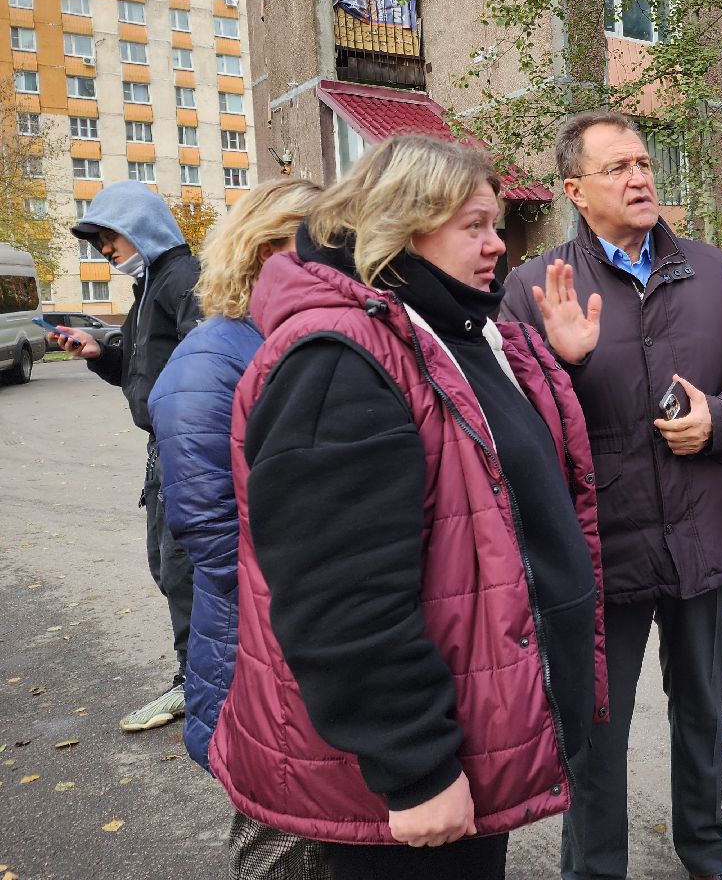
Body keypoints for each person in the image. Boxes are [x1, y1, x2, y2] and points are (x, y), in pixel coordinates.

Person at [209, 136, 608, 880]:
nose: (499, 245)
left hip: (474, 727)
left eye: (496, 225)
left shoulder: (462, 333)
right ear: (403, 222)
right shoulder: (340, 358)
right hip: (399, 785)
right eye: (476, 226)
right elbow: (337, 594)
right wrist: (416, 765)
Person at [500, 111, 722, 880]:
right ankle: (595, 870)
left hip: (701, 533)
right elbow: (508, 428)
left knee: (702, 712)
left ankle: (706, 853)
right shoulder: (534, 288)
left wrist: (720, 419)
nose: (641, 178)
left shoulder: (711, 269)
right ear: (574, 191)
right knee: (597, 731)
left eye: (646, 163)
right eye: (618, 167)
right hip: (599, 547)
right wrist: (560, 365)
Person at [147, 177, 326, 879]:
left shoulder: (297, 339)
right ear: (266, 248)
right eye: (322, 240)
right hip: (265, 656)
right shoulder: (208, 365)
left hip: (316, 643)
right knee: (281, 841)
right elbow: (216, 541)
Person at [57, 181, 203, 732]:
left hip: (187, 451)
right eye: (95, 241)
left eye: (107, 235)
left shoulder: (182, 278)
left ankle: (198, 682)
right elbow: (143, 372)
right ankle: (199, 675)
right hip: (162, 450)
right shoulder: (148, 288)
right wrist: (100, 353)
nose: (103, 249)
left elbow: (210, 362)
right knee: (167, 566)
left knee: (185, 567)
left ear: (139, 224)